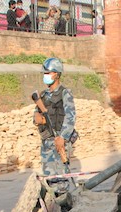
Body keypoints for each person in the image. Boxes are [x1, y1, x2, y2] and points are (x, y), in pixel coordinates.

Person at [33, 58, 76, 188]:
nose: (45, 76)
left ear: (56, 74)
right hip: (47, 141)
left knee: (62, 177)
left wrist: (63, 137)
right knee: (49, 178)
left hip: (59, 140)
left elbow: (70, 117)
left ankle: (66, 198)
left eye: (48, 73)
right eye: (44, 73)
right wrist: (38, 119)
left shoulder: (64, 93)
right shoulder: (43, 95)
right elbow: (36, 114)